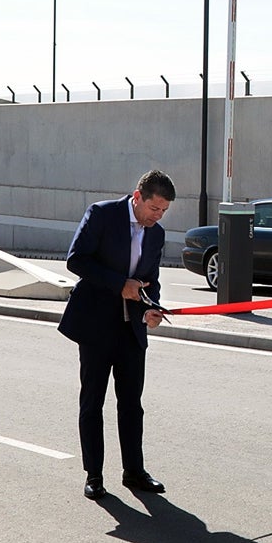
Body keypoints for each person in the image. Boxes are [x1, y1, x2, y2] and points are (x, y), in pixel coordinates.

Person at [60, 169, 175, 500]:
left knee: (132, 404)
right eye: (154, 208)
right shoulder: (102, 214)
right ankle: (94, 475)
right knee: (93, 402)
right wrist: (119, 284)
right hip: (96, 325)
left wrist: (153, 308)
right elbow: (76, 260)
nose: (158, 216)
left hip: (132, 329)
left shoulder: (156, 233)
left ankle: (134, 471)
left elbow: (151, 280)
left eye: (164, 210)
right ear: (138, 198)